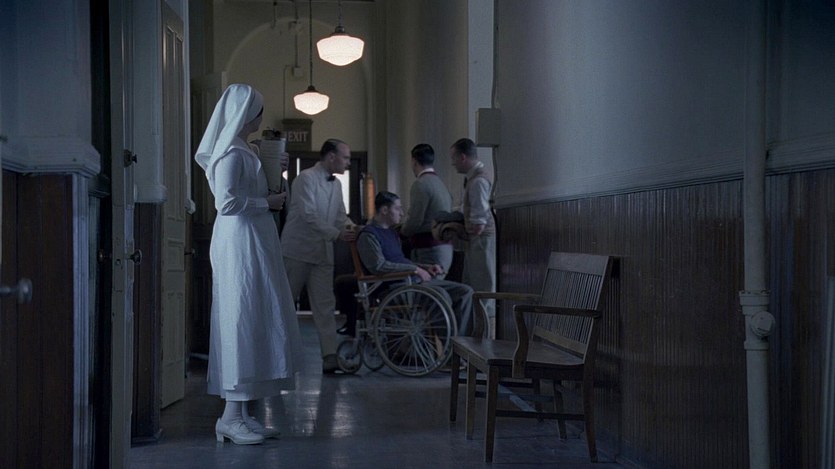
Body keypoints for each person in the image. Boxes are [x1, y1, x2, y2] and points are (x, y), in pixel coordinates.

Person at [195, 83, 303, 445]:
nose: (260, 116)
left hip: (253, 238)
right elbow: (226, 203)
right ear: (245, 114)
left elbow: (262, 193)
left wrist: (276, 173)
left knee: (253, 315)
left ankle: (239, 414)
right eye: (257, 110)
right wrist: (265, 203)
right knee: (240, 315)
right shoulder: (230, 153)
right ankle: (230, 417)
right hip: (239, 240)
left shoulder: (247, 150)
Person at [281, 139, 357, 374]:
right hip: (298, 251)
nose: (348, 162)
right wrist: (337, 233)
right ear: (331, 156)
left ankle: (330, 356)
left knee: (325, 306)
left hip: (323, 253)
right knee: (285, 303)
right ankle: (275, 356)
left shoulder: (337, 184)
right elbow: (309, 215)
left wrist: (353, 228)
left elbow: (340, 215)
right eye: (345, 157)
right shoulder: (305, 178)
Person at [356, 191, 473, 336]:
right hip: (394, 287)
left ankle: (461, 342)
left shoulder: (392, 234)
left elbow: (400, 261)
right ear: (384, 210)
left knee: (465, 292)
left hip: (411, 281)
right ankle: (446, 346)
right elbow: (378, 267)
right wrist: (415, 269)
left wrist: (425, 268)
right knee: (440, 295)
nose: (402, 213)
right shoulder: (368, 235)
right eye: (397, 208)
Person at [449, 137, 497, 337]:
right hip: (477, 241)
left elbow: (478, 223)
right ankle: (478, 340)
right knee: (476, 290)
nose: (452, 163)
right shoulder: (474, 179)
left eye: (453, 158)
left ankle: (485, 342)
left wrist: (457, 227)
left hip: (481, 241)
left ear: (463, 157)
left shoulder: (477, 182)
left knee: (483, 292)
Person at [399, 143, 454, 278]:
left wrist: (400, 233)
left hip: (428, 248)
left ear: (414, 161)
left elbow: (415, 220)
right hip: (445, 247)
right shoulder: (441, 184)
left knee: (425, 287)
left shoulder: (421, 184)